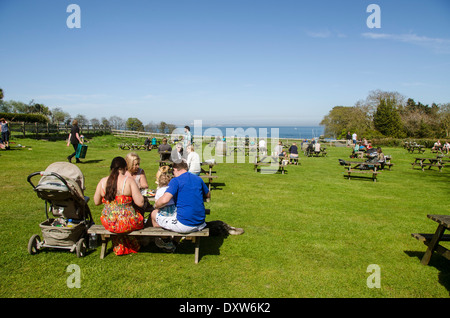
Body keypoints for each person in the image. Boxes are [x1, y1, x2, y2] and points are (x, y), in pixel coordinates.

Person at [150, 161, 210, 250]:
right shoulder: (198, 179)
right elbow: (208, 194)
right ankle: (173, 243)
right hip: (200, 222)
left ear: (175, 169)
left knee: (154, 213)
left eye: (173, 172)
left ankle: (165, 241)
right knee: (179, 214)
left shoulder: (176, 180)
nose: (173, 174)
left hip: (186, 224)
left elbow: (165, 200)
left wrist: (156, 205)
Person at [93, 157, 145, 256]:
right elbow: (140, 202)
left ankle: (120, 244)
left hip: (109, 221)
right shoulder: (128, 181)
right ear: (125, 168)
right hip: (127, 221)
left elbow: (96, 202)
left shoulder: (103, 181)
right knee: (140, 217)